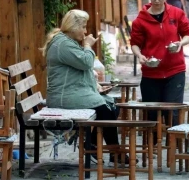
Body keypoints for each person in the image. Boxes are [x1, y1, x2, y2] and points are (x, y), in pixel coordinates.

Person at [41, 9, 134, 166]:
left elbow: (80, 68)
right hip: (64, 97)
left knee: (112, 106)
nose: (85, 31)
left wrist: (94, 85)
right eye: (83, 27)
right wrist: (87, 45)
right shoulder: (62, 44)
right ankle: (112, 151)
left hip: (72, 93)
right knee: (105, 110)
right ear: (73, 26)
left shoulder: (66, 41)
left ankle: (97, 146)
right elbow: (85, 62)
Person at [130, 0, 189, 142]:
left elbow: (187, 34)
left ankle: (177, 146)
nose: (156, 1)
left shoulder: (177, 14)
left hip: (175, 69)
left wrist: (180, 44)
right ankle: (152, 148)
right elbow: (135, 44)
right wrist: (140, 56)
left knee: (173, 111)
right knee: (151, 113)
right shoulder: (140, 20)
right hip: (151, 72)